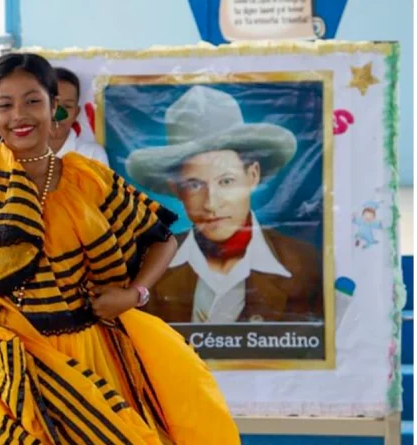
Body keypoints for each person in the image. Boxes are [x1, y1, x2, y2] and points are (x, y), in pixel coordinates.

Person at [0, 53, 239, 444]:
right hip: (15, 361)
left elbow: (163, 240)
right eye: (5, 104)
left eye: (32, 101)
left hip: (95, 353)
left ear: (55, 107)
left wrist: (132, 294)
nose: (19, 115)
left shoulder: (88, 178)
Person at [125, 85, 323, 324]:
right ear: (176, 188)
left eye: (226, 181)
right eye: (195, 185)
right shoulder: (148, 264)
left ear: (252, 175)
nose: (211, 203)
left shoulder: (305, 264)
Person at [49, 67, 109, 166]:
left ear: (76, 114)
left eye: (67, 106)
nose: (57, 114)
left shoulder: (92, 155)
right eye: (51, 104)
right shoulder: (19, 153)